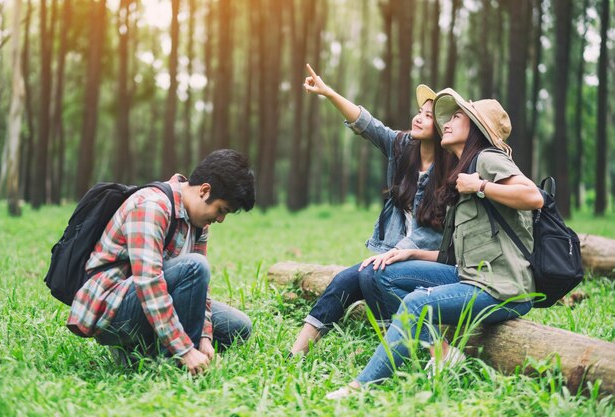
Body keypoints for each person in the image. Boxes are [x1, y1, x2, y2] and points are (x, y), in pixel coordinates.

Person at [326, 88, 544, 399]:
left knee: (417, 303)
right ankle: (438, 354)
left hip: (503, 289)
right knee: (381, 272)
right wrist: (412, 252)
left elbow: (533, 197)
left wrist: (481, 185)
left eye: (457, 117)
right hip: (471, 276)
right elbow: (453, 255)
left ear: (477, 129)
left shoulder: (487, 159)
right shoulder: (461, 169)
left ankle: (360, 387)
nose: (447, 123)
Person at [290, 64, 454, 355]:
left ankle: (428, 350)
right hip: (393, 254)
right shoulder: (403, 148)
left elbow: (434, 237)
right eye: (420, 112)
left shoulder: (453, 172)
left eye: (429, 116)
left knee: (370, 275)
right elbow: (367, 124)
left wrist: (394, 256)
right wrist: (328, 92)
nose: (419, 118)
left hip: (429, 262)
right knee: (345, 279)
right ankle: (296, 352)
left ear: (442, 127)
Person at [66, 149, 256, 375]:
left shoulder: (199, 224)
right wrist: (185, 349)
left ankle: (153, 352)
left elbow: (200, 290)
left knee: (238, 327)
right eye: (221, 210)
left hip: (152, 302)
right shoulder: (151, 206)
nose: (220, 219)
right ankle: (173, 365)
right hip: (113, 310)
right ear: (205, 191)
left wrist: (205, 336)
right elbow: (149, 284)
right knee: (194, 266)